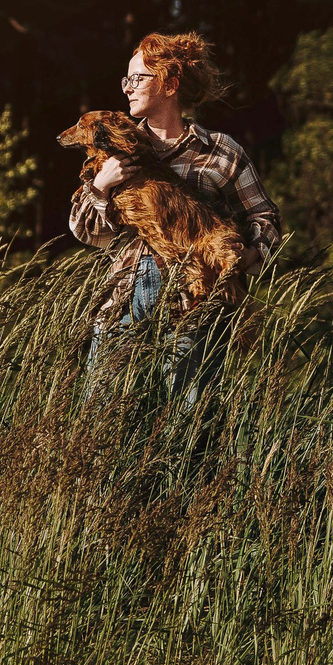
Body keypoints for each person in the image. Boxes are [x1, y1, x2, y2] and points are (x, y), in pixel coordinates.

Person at [70, 30, 281, 399]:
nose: (127, 88)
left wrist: (247, 256)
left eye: (138, 78)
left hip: (195, 305)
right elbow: (86, 233)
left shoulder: (220, 151)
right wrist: (102, 186)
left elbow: (264, 216)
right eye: (126, 79)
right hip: (125, 298)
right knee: (103, 418)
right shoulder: (115, 149)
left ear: (170, 84)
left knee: (188, 424)